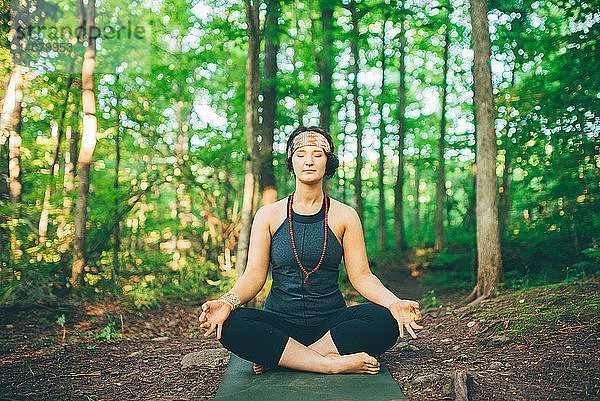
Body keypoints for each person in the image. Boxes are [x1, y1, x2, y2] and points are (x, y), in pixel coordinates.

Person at [199, 126, 423, 375]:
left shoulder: (345, 215)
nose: (308, 160)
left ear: (328, 162)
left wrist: (394, 303)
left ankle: (285, 358)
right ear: (291, 162)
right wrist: (227, 302)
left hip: (331, 327)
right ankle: (328, 364)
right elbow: (253, 276)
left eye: (317, 154)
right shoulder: (268, 215)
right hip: (280, 324)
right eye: (300, 154)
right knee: (231, 326)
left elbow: (361, 276)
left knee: (384, 321)